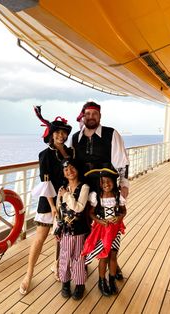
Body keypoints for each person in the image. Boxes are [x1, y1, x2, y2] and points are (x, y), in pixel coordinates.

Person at [72, 101, 129, 279]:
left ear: (100, 116)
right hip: (84, 188)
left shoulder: (111, 134)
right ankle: (87, 260)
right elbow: (72, 163)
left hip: (106, 187)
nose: (91, 117)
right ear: (83, 116)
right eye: (87, 114)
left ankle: (112, 263)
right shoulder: (76, 137)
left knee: (109, 225)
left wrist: (124, 184)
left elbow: (122, 162)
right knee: (86, 226)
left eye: (94, 114)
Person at [19, 106, 73, 295]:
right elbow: (46, 182)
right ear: (51, 134)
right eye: (57, 132)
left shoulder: (70, 153)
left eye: (63, 132)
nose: (60, 135)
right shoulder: (45, 155)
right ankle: (28, 274)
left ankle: (58, 265)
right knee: (40, 238)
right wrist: (52, 207)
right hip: (48, 200)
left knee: (62, 238)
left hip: (67, 200)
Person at [82, 167, 126, 296]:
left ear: (113, 181)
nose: (106, 184)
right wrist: (99, 220)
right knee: (104, 256)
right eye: (103, 182)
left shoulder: (118, 196)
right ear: (99, 184)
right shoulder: (97, 196)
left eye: (109, 181)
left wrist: (119, 217)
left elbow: (124, 210)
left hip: (115, 230)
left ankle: (111, 280)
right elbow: (90, 213)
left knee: (113, 255)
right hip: (102, 230)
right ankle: (102, 281)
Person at [55, 159, 90, 300]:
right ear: (63, 173)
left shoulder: (84, 187)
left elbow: (79, 208)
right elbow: (59, 210)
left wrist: (66, 196)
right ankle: (65, 283)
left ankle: (80, 284)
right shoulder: (62, 189)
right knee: (64, 257)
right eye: (66, 169)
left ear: (77, 169)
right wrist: (57, 227)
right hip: (66, 231)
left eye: (72, 167)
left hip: (80, 230)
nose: (69, 171)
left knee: (79, 258)